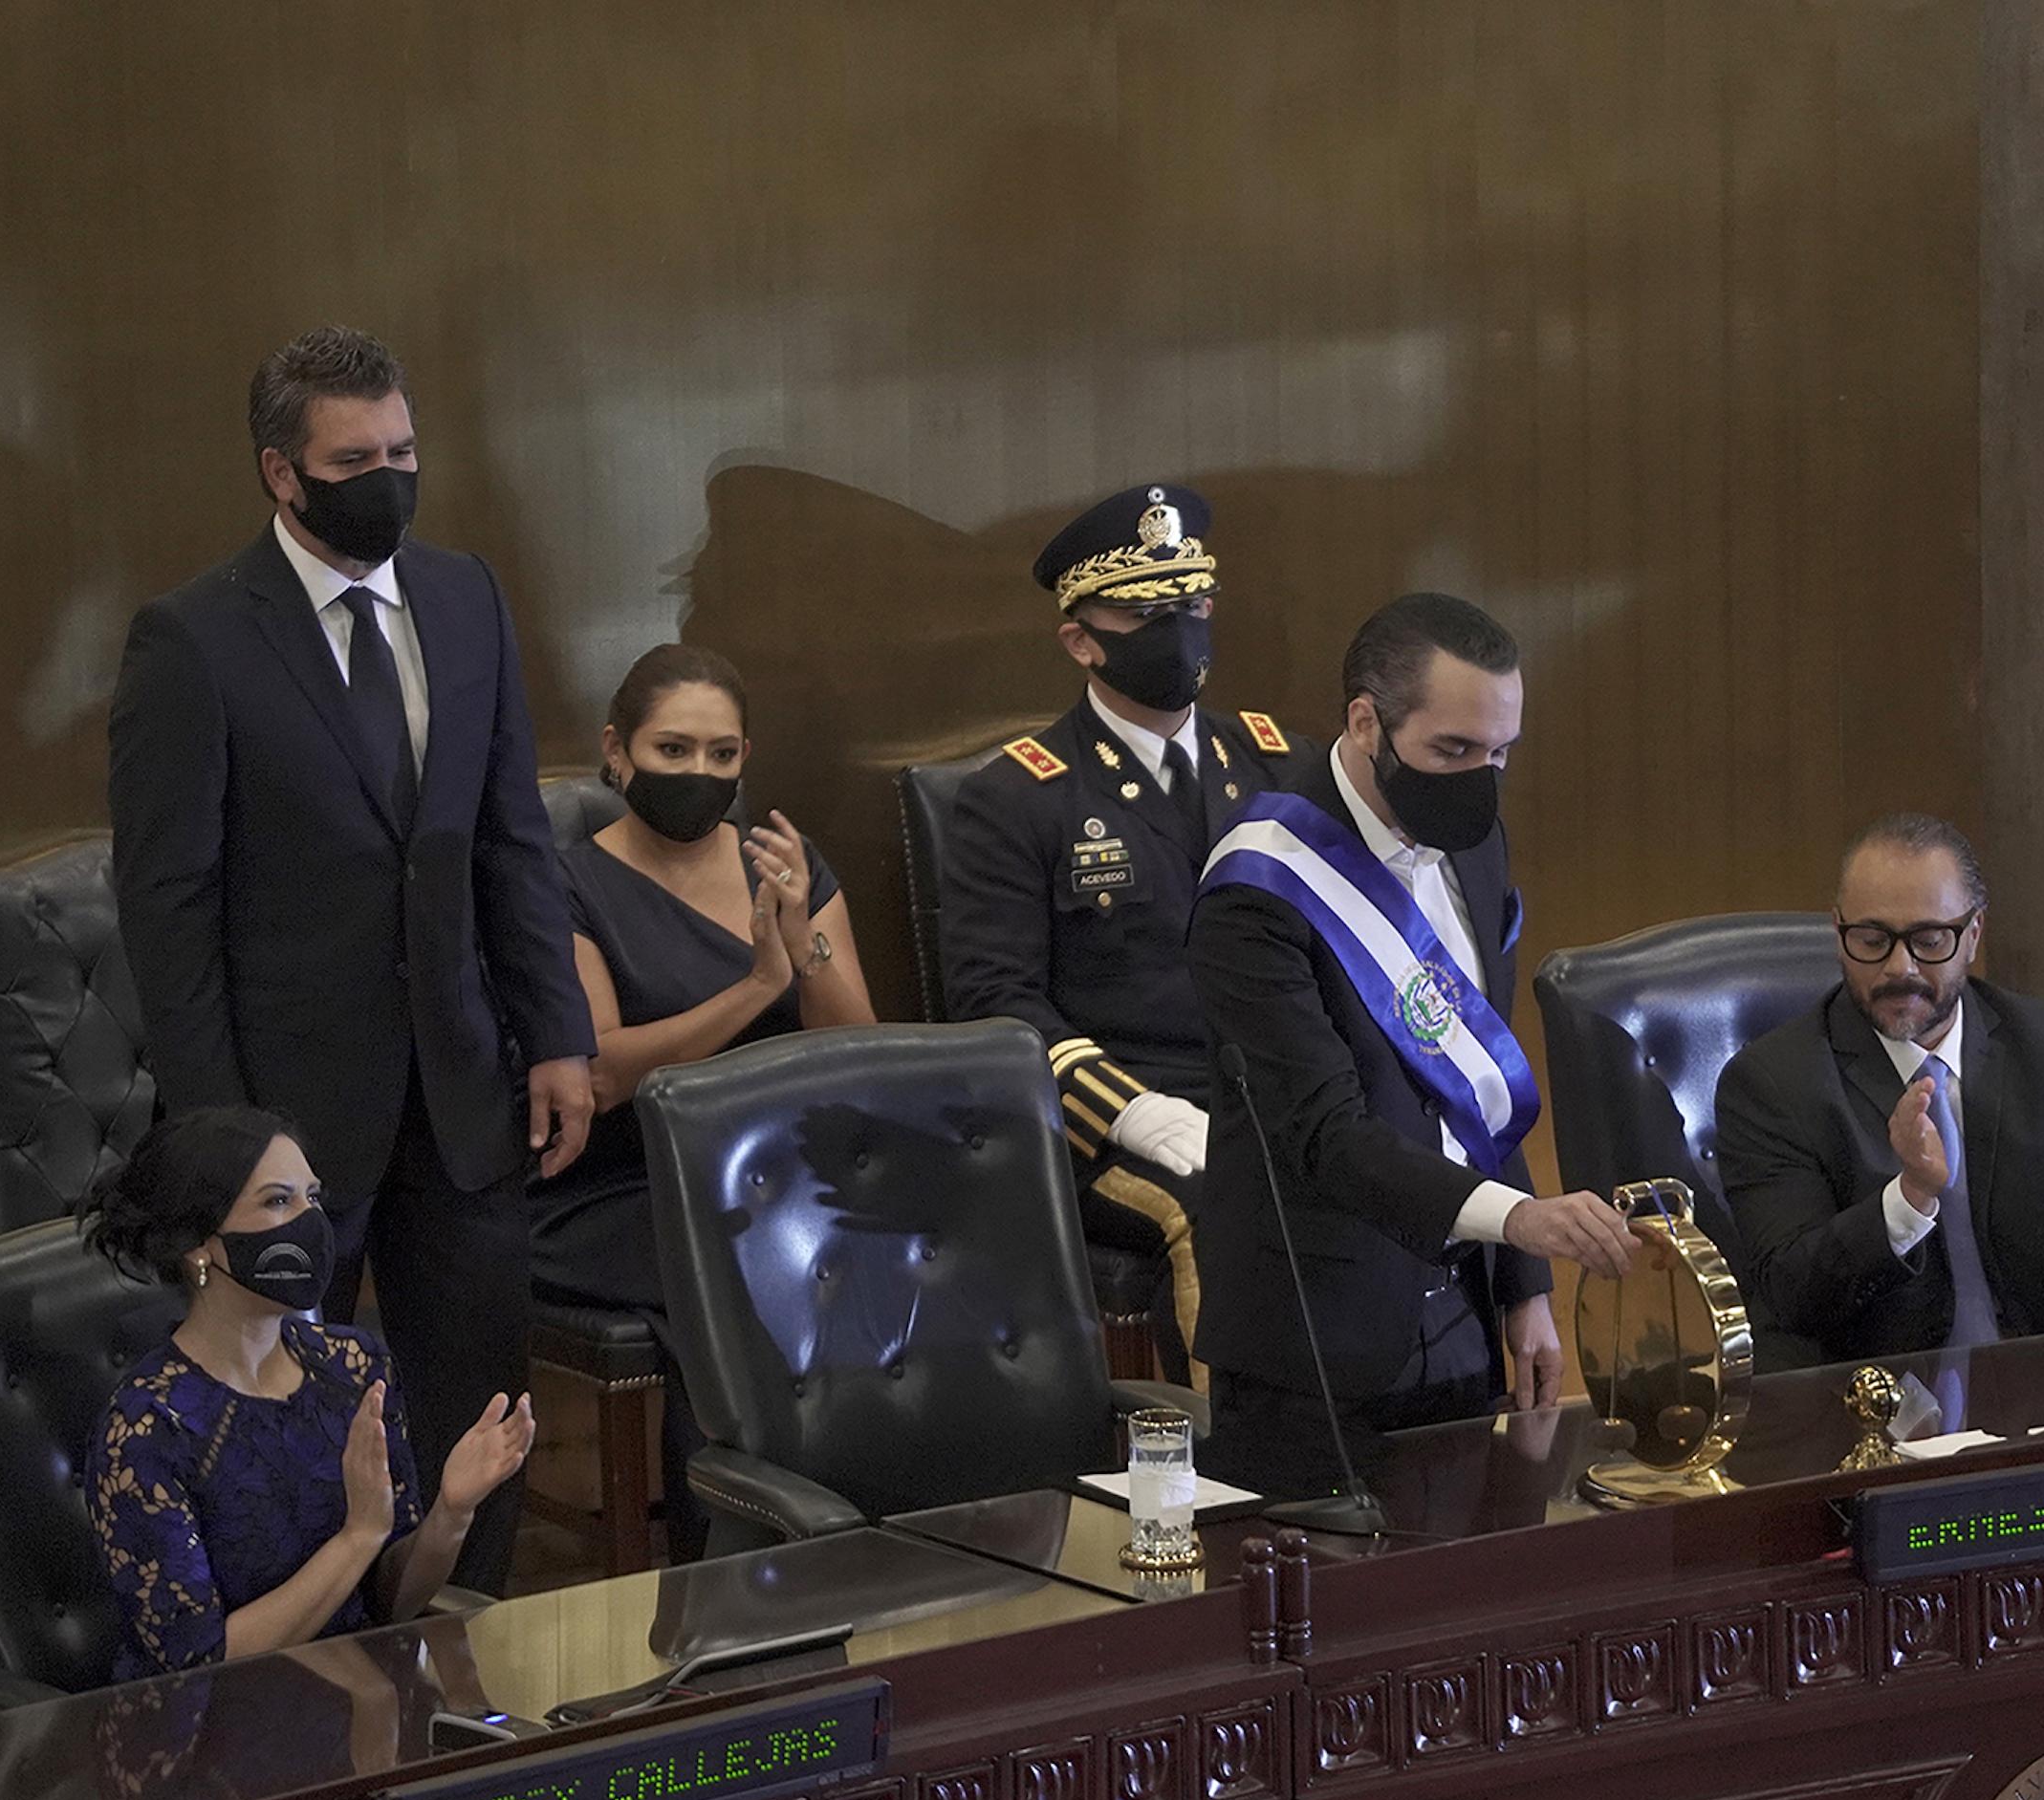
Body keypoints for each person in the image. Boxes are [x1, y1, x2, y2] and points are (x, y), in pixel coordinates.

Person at [108, 327, 595, 1591]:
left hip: (464, 1088)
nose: (388, 475)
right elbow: (171, 907)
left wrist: (556, 1036)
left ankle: (474, 1637)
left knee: (478, 1405)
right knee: (283, 1421)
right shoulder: (195, 639)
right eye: (356, 457)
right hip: (290, 1118)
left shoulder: (466, 596)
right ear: (284, 474)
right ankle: (308, 1681)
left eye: (404, 450)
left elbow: (508, 838)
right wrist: (224, 1139)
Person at [1188, 593, 1637, 1483]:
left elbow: (1481, 1081)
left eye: (1500, 753)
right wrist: (1526, 1221)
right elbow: (1323, 1134)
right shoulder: (1256, 885)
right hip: (1317, 1339)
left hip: (1464, 1315)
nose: (1479, 778)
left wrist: (1523, 1289)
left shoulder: (1474, 843)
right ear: (1366, 724)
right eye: (1453, 751)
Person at [939, 483, 1309, 1384]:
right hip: (1115, 1126)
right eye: (1148, 614)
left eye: (1192, 605)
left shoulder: (1277, 763)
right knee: (1220, 1211)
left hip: (1280, 1091)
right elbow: (996, 1003)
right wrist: (1130, 1111)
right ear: (1081, 639)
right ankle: (1232, 1486)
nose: (1181, 632)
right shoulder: (1019, 797)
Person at [528, 642, 876, 1558]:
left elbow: (858, 1056)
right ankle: (736, 1560)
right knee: (747, 1264)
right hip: (623, 1189)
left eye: (722, 756)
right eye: (672, 751)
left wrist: (806, 942)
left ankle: (878, 1535)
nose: (699, 773)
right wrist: (761, 984)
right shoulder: (565, 883)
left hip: (779, 1176)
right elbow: (600, 1072)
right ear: (617, 751)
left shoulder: (786, 865)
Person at [82, 1108, 535, 1681]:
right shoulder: (146, 1429)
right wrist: (358, 1537)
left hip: (361, 1699)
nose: (309, 1223)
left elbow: (387, 1604)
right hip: (212, 1736)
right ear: (199, 1246)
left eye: (313, 1199)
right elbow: (197, 1664)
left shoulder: (352, 1367)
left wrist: (451, 1512)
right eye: (277, 1202)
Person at [1714, 813, 2044, 1376]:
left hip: (2027, 1391)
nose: (1900, 968)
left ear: (1972, 934)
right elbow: (1791, 1294)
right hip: (1863, 1404)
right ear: (1837, 932)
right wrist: (1910, 1199)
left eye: (1929, 940)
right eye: (1872, 940)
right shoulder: (1773, 1083)